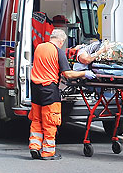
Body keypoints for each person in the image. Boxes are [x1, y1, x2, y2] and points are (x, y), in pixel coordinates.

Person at [29, 28, 88, 160]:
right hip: (49, 90)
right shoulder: (58, 51)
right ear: (61, 41)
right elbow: (67, 74)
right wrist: (85, 74)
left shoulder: (39, 47)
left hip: (35, 88)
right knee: (50, 121)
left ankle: (34, 146)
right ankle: (48, 152)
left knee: (36, 119)